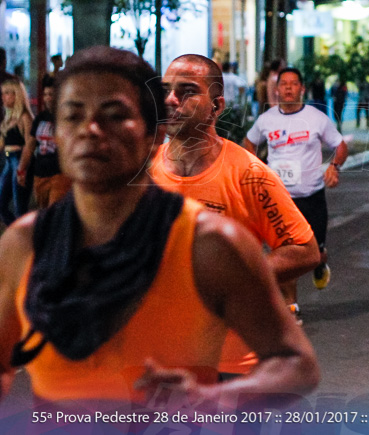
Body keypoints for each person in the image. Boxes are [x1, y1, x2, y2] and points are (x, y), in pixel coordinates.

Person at [0, 47, 318, 407]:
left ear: (151, 134)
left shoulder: (212, 240)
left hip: (227, 371)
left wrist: (218, 395)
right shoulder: (25, 245)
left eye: (114, 115)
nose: (89, 130)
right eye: (72, 115)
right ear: (54, 134)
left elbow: (296, 360)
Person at [150, 55, 320, 371]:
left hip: (231, 366)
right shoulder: (141, 171)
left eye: (186, 91)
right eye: (166, 90)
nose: (171, 100)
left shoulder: (248, 173)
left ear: (216, 106)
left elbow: (304, 251)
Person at [244, 68, 348, 305]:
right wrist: (256, 167)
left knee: (315, 254)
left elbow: (340, 146)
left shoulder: (316, 118)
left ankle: (320, 261)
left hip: (311, 196)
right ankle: (291, 307)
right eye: (284, 84)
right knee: (283, 255)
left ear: (302, 89)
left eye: (294, 84)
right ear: (277, 89)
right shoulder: (266, 120)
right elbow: (249, 142)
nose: (289, 88)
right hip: (279, 199)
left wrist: (334, 166)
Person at [17, 77, 71, 209]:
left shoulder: (66, 118)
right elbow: (29, 146)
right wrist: (21, 169)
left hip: (59, 174)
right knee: (43, 213)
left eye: (51, 94)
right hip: (40, 174)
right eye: (46, 94)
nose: (48, 98)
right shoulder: (40, 118)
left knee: (54, 211)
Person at [0, 79, 33, 226]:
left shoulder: (24, 117)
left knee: (20, 207)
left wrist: (22, 168)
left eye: (7, 93)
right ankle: (16, 235)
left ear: (16, 95)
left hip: (20, 161)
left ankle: (25, 241)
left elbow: (30, 144)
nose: (3, 97)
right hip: (9, 161)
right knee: (1, 204)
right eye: (2, 93)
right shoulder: (7, 119)